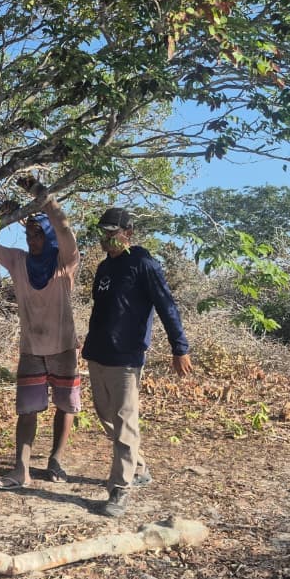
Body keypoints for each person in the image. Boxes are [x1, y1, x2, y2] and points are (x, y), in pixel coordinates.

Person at [82, 207, 193, 518]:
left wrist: (179, 347)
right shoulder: (104, 268)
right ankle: (139, 468)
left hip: (127, 357)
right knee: (106, 416)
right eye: (102, 233)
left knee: (125, 421)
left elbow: (166, 306)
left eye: (111, 233)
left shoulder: (144, 264)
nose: (105, 239)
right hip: (98, 353)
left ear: (127, 233)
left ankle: (120, 488)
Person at [0, 194, 80, 489]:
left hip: (63, 347)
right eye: (28, 233)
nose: (32, 239)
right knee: (27, 408)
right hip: (32, 349)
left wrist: (45, 198)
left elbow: (65, 229)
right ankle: (21, 468)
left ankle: (56, 459)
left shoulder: (65, 262)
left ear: (49, 235)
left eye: (38, 234)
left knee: (66, 405)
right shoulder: (18, 261)